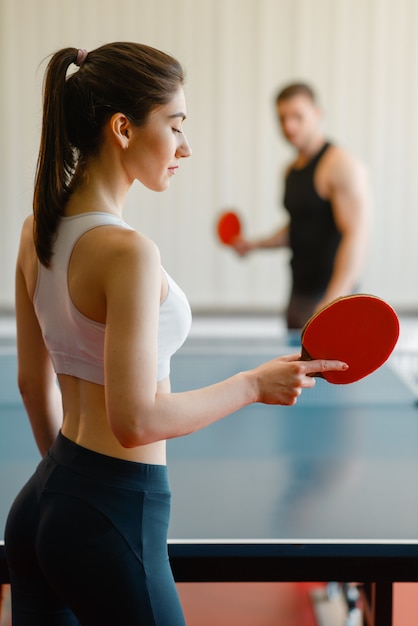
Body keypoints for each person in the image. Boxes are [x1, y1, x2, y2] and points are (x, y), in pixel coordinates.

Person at [4, 44, 348, 626]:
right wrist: (251, 385)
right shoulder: (129, 253)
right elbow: (135, 420)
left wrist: (68, 491)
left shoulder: (36, 228)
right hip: (112, 508)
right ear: (122, 128)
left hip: (43, 500)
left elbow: (33, 386)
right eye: (175, 125)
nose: (185, 147)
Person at [232, 82, 371, 329]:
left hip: (330, 297)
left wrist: (332, 300)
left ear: (317, 113)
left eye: (297, 116)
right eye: (282, 118)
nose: (289, 126)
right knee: (295, 366)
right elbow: (299, 226)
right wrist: (255, 244)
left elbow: (356, 235)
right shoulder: (290, 170)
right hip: (299, 296)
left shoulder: (340, 165)